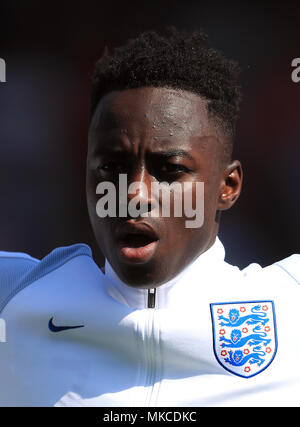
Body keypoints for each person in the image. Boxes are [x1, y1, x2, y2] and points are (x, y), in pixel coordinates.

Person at [0, 28, 299, 407]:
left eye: (170, 169)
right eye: (112, 166)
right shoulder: (13, 299)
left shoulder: (292, 307)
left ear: (228, 185)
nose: (134, 194)